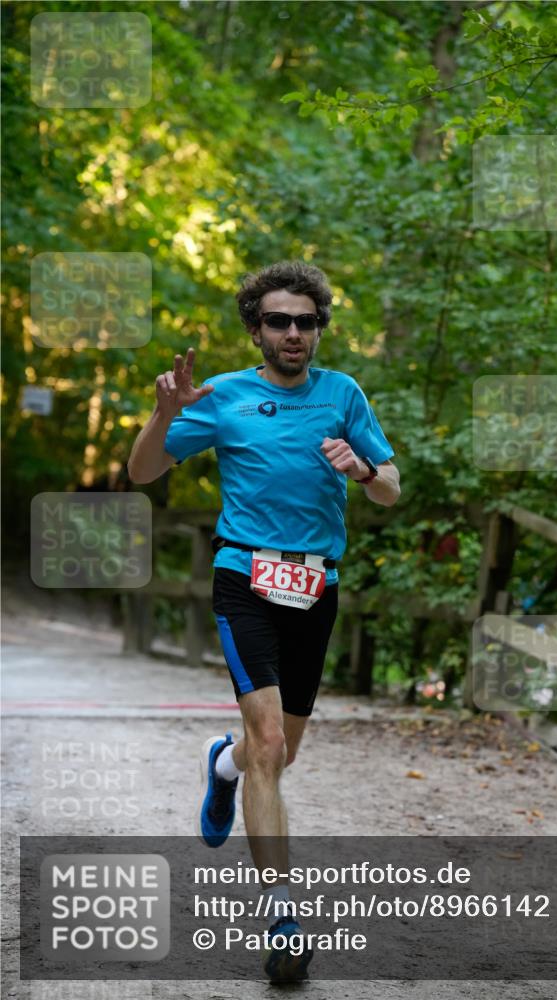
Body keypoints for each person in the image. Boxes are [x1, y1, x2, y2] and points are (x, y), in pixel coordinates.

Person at [128, 260, 400, 981]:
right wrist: (163, 413)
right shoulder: (223, 396)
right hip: (244, 576)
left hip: (316, 585)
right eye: (277, 320)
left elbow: (392, 490)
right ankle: (281, 912)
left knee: (276, 757)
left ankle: (222, 767)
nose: (292, 333)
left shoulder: (343, 394)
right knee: (270, 739)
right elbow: (142, 473)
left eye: (305, 322)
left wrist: (364, 472)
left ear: (319, 329)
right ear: (256, 328)